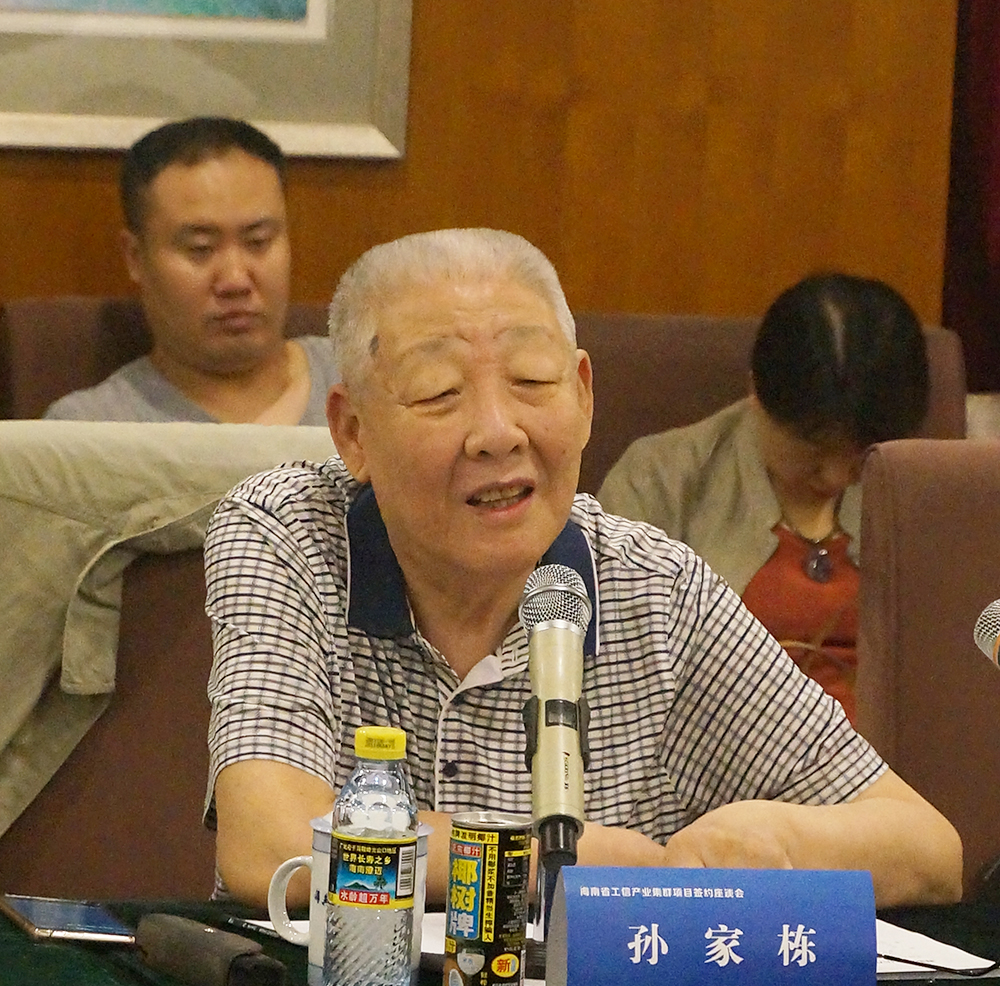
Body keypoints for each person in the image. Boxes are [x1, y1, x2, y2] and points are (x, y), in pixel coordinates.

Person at [202, 230, 961, 913]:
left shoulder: (654, 587)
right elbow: (271, 849)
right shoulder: (289, 534)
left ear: (585, 395)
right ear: (352, 431)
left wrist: (777, 839)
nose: (498, 432)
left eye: (533, 381)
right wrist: (546, 860)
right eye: (439, 393)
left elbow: (928, 851)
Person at [598, 274, 930, 726]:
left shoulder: (920, 488)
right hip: (718, 754)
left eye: (861, 454)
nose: (836, 477)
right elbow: (612, 667)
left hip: (897, 757)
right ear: (756, 390)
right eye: (813, 449)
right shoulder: (661, 481)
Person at [44, 117, 338, 424]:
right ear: (135, 258)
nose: (235, 280)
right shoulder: (89, 429)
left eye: (258, 242)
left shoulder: (363, 381)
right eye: (201, 248)